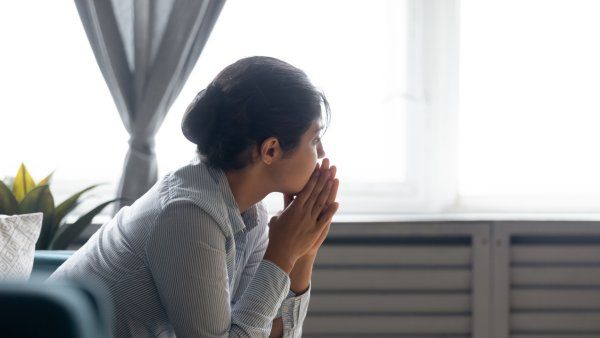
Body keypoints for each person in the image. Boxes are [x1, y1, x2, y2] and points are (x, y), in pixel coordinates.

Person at [48, 56, 340, 338]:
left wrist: (304, 253)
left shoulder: (250, 213)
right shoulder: (187, 215)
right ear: (271, 150)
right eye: (314, 139)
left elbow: (261, 330)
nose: (322, 154)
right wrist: (282, 254)